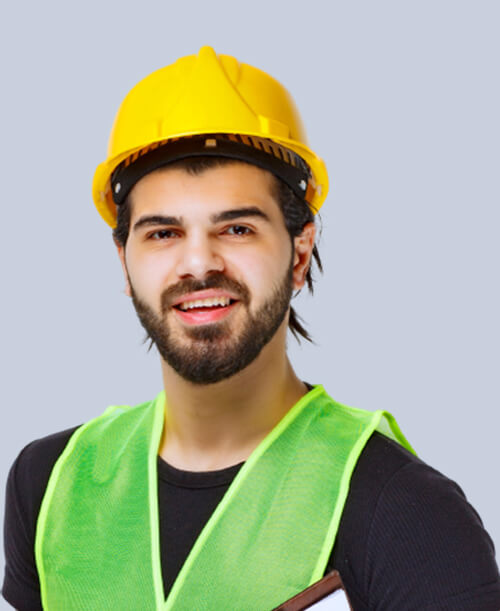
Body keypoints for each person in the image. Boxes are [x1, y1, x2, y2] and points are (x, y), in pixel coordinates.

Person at [2, 46, 500, 611]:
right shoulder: (50, 485)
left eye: (237, 228)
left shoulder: (406, 513)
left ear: (299, 254)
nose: (198, 263)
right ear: (124, 262)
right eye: (163, 233)